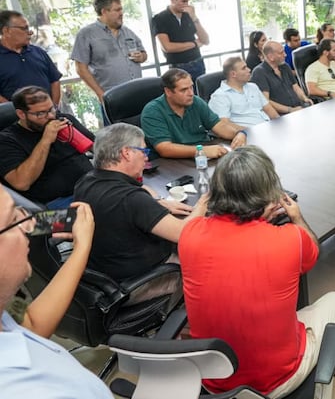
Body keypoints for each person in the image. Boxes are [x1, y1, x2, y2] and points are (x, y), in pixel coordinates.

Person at [178, 145, 335, 398]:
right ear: (268, 193)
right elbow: (312, 254)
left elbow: (203, 224)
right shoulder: (291, 238)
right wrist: (296, 217)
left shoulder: (189, 235)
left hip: (212, 379)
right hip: (274, 381)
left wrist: (250, 214)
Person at [0, 187, 112, 398]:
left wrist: (81, 248)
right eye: (14, 218)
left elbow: (31, 324)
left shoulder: (5, 314)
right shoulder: (33, 390)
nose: (29, 225)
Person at [74, 123, 202, 302]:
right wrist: (204, 203)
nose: (146, 158)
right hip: (138, 284)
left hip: (104, 274)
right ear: (126, 153)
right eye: (143, 151)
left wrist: (157, 202)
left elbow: (141, 190)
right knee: (207, 261)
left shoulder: (86, 181)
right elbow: (184, 233)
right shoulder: (132, 199)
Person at [0, 86, 93, 207]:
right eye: (41, 113)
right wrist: (45, 140)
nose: (50, 116)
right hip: (59, 201)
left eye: (51, 109)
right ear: (21, 114)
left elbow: (97, 147)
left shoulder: (63, 120)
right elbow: (21, 183)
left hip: (92, 184)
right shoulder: (7, 140)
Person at [141, 69, 247, 159]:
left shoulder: (195, 101)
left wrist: (240, 133)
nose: (191, 93)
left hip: (204, 154)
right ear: (168, 92)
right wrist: (201, 151)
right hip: (174, 162)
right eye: (184, 90)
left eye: (191, 87)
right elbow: (164, 148)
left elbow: (219, 126)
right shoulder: (152, 111)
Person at [71, 0, 147, 105]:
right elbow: (81, 68)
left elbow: (144, 54)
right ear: (104, 12)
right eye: (117, 10)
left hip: (137, 92)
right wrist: (100, 94)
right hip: (112, 97)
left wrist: (141, 56)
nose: (121, 13)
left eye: (121, 9)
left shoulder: (127, 31)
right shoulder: (86, 34)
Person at [0, 10, 62, 105]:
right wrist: (14, 110)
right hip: (16, 113)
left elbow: (55, 81)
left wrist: (53, 107)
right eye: (24, 28)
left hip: (50, 111)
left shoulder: (38, 52)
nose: (30, 32)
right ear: (6, 31)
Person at [151, 0, 209, 84]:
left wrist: (194, 17)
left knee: (201, 92)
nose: (186, 5)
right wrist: (194, 44)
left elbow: (206, 40)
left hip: (197, 62)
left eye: (187, 1)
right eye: (183, 1)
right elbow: (167, 47)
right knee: (182, 93)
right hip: (177, 67)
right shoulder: (160, 18)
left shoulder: (189, 15)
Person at [209, 57, 278, 126]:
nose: (249, 70)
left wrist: (280, 124)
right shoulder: (220, 96)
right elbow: (225, 125)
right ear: (233, 74)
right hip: (246, 131)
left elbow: (268, 109)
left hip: (267, 126)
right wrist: (248, 131)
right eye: (244, 68)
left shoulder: (253, 87)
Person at [250, 41, 313, 115]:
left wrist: (304, 98)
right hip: (281, 115)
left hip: (298, 108)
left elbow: (296, 87)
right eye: (281, 53)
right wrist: (290, 110)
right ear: (271, 57)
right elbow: (265, 101)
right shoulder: (259, 72)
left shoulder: (285, 66)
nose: (285, 55)